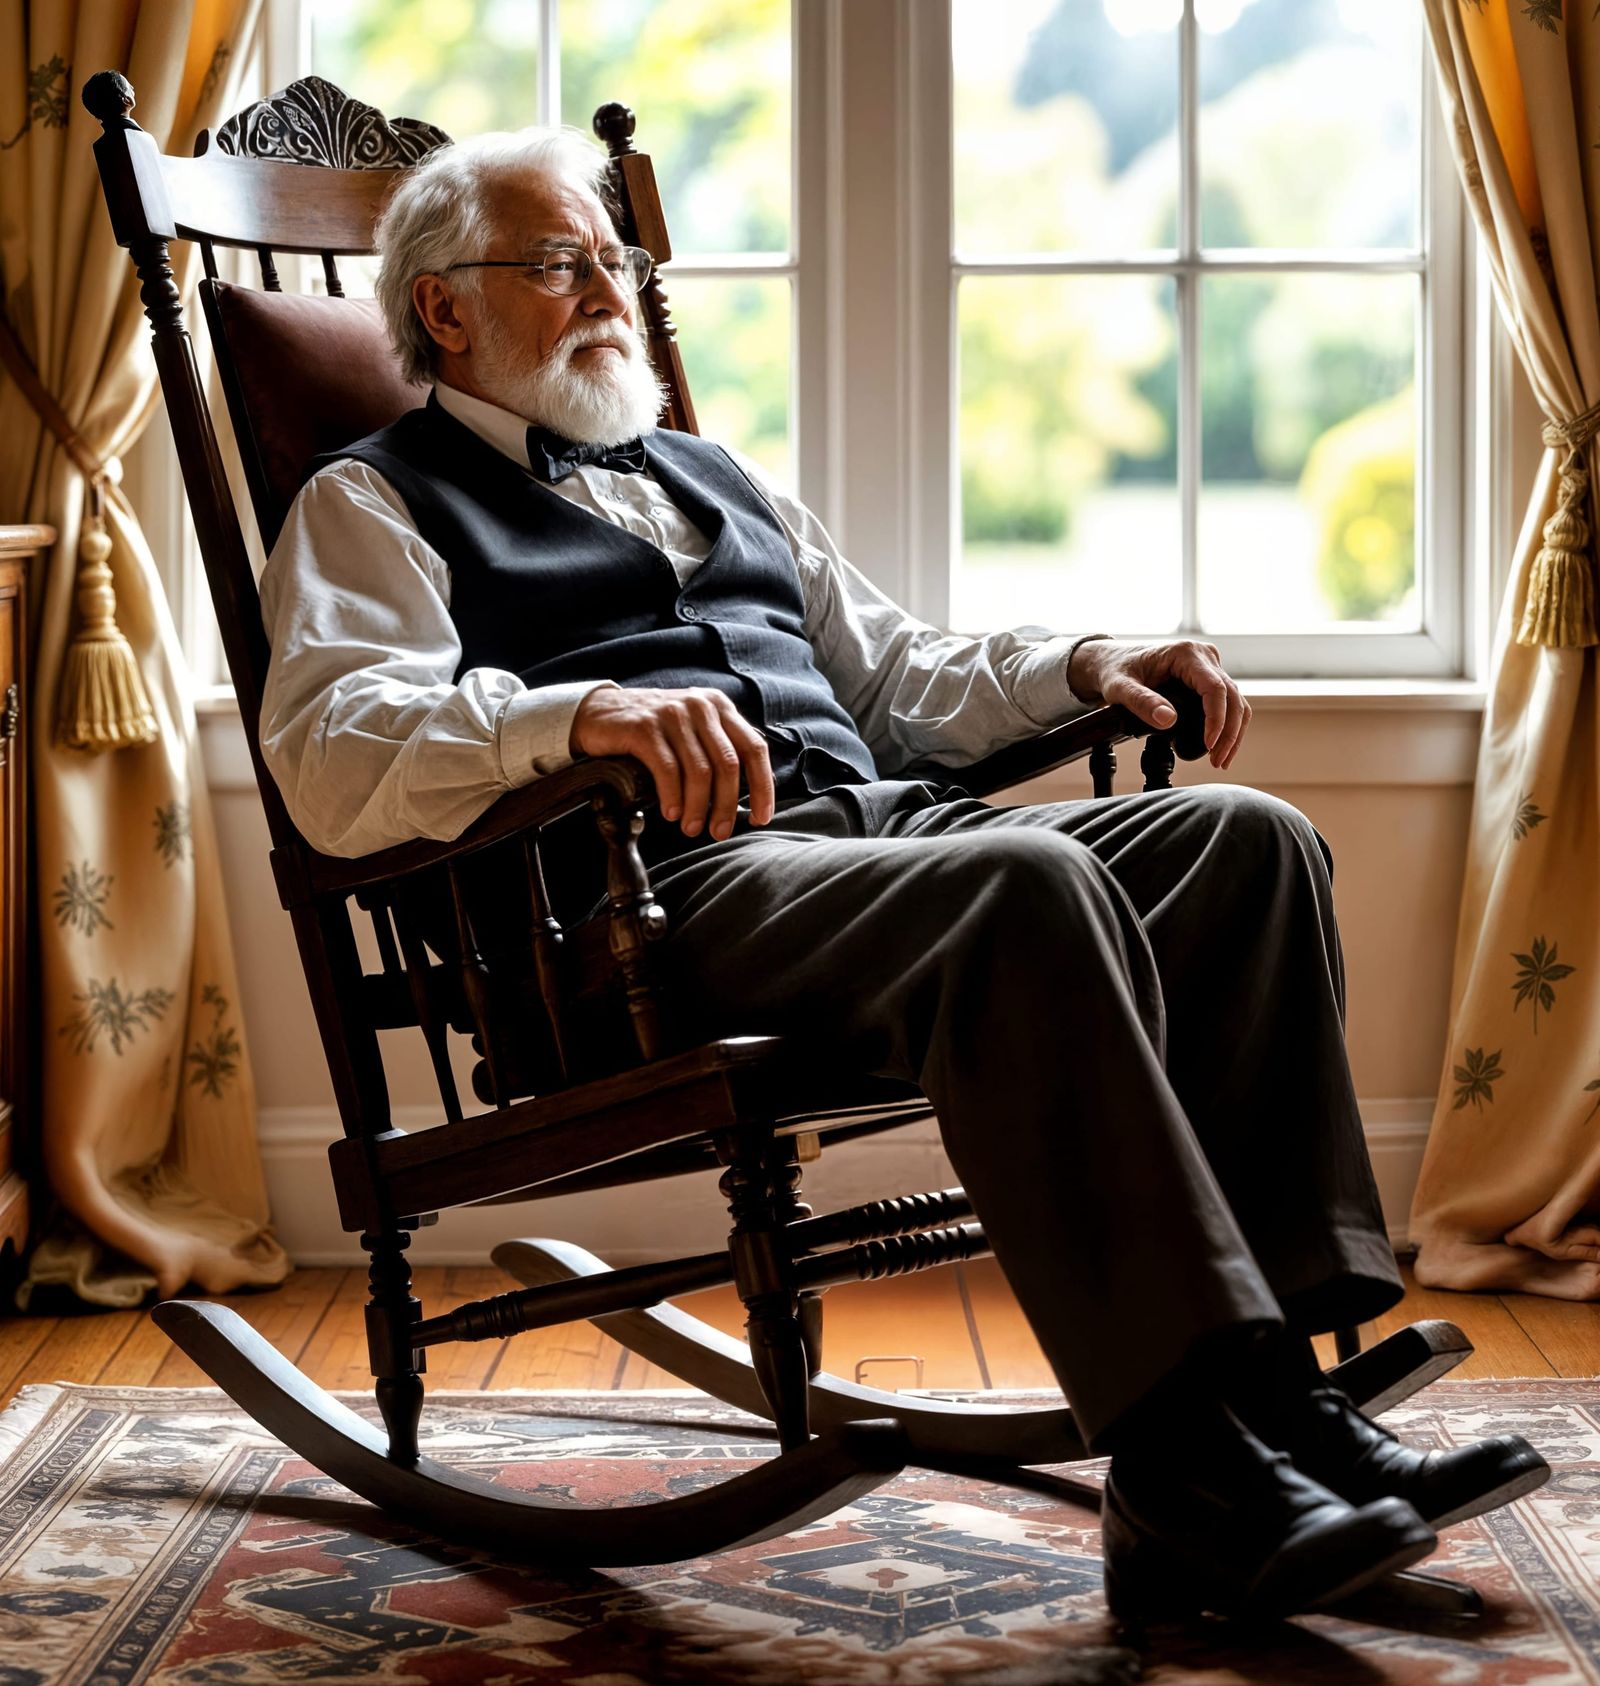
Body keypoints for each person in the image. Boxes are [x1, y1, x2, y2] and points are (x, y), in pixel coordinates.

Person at [256, 127, 1547, 1624]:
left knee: (1242, 842)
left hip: (875, 847)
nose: (608, 289)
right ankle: (1186, 1467)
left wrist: (1085, 663)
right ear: (443, 310)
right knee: (1024, 882)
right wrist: (575, 715)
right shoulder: (372, 503)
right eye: (559, 263)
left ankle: (1291, 1401)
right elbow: (331, 750)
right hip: (658, 913)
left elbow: (898, 675)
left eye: (614, 256)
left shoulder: (711, 474)